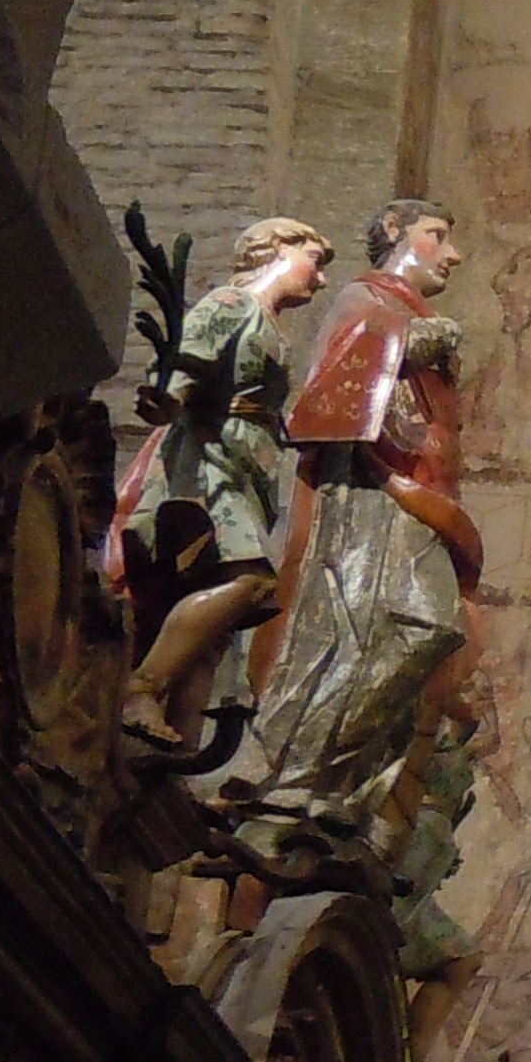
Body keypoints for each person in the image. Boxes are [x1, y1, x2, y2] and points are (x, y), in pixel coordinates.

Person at [230, 201, 480, 841]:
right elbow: (345, 374)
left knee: (423, 632)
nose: (451, 254)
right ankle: (294, 773)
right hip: (371, 488)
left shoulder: (405, 311)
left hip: (413, 493)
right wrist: (419, 341)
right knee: (382, 624)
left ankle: (326, 780)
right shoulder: (365, 297)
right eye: (437, 236)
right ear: (394, 233)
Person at [116, 216, 331, 749]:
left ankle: (174, 749)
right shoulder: (232, 304)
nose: (322, 278)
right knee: (250, 582)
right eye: (315, 260)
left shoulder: (271, 324)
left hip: (246, 466)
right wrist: (167, 396)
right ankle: (141, 688)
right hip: (209, 464)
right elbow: (187, 361)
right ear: (275, 249)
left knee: (216, 625)